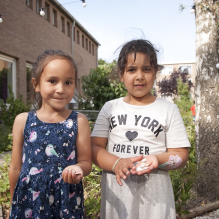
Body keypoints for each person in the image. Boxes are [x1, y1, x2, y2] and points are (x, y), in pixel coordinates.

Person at [91, 39, 191, 219]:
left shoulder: (168, 110)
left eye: (146, 69)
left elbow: (181, 156)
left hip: (156, 202)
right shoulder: (109, 108)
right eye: (131, 69)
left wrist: (157, 160)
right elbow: (94, 148)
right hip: (118, 200)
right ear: (121, 74)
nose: (139, 76)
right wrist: (116, 163)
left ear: (155, 73)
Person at [7, 50, 92, 219]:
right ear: (36, 84)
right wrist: (13, 202)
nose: (61, 89)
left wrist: (78, 168)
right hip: (28, 200)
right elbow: (16, 167)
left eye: (68, 82)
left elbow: (86, 162)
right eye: (52, 81)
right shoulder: (22, 121)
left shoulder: (79, 121)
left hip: (66, 200)